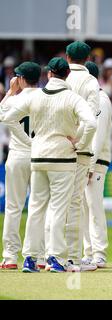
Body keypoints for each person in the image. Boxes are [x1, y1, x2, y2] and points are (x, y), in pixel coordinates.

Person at [1, 57, 96, 272]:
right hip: (62, 158)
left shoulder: (36, 97)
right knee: (57, 209)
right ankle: (53, 258)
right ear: (67, 75)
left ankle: (29, 259)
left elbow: (6, 116)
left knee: (35, 209)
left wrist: (31, 141)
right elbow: (91, 122)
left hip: (38, 156)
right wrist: (80, 142)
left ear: (50, 74)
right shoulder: (72, 97)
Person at [0, 62, 44, 270]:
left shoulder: (13, 100)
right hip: (41, 155)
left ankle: (10, 257)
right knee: (39, 208)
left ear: (20, 78)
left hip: (18, 155)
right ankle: (41, 256)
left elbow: (2, 114)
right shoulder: (46, 97)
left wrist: (10, 90)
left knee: (13, 207)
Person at [64, 40, 100, 272]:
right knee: (75, 204)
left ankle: (50, 256)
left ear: (67, 57)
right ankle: (73, 259)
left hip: (56, 148)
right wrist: (81, 143)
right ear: (88, 59)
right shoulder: (90, 80)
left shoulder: (60, 78)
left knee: (54, 203)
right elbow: (92, 117)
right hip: (79, 150)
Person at [81, 61, 112, 269]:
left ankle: (99, 252)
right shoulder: (90, 98)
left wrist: (90, 167)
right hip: (85, 160)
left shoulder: (101, 99)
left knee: (94, 205)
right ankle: (88, 251)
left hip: (97, 160)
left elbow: (99, 138)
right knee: (84, 207)